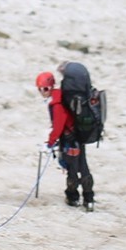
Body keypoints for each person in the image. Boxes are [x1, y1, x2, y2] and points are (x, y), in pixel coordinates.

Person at [39, 62, 96, 211]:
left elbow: (58, 126)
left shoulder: (57, 103)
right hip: (79, 135)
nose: (43, 92)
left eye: (45, 89)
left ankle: (73, 197)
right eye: (40, 89)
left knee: (72, 168)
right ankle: (89, 198)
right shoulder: (64, 95)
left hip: (69, 138)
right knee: (83, 166)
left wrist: (50, 143)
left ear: (51, 87)